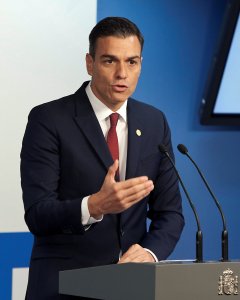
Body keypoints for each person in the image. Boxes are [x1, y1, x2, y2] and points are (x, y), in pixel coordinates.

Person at [21, 16, 184, 300]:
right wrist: (94, 205)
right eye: (110, 61)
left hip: (132, 288)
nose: (122, 73)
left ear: (140, 65)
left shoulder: (154, 121)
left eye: (131, 62)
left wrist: (148, 252)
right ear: (90, 63)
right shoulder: (48, 119)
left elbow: (170, 214)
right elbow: (38, 214)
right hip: (64, 287)